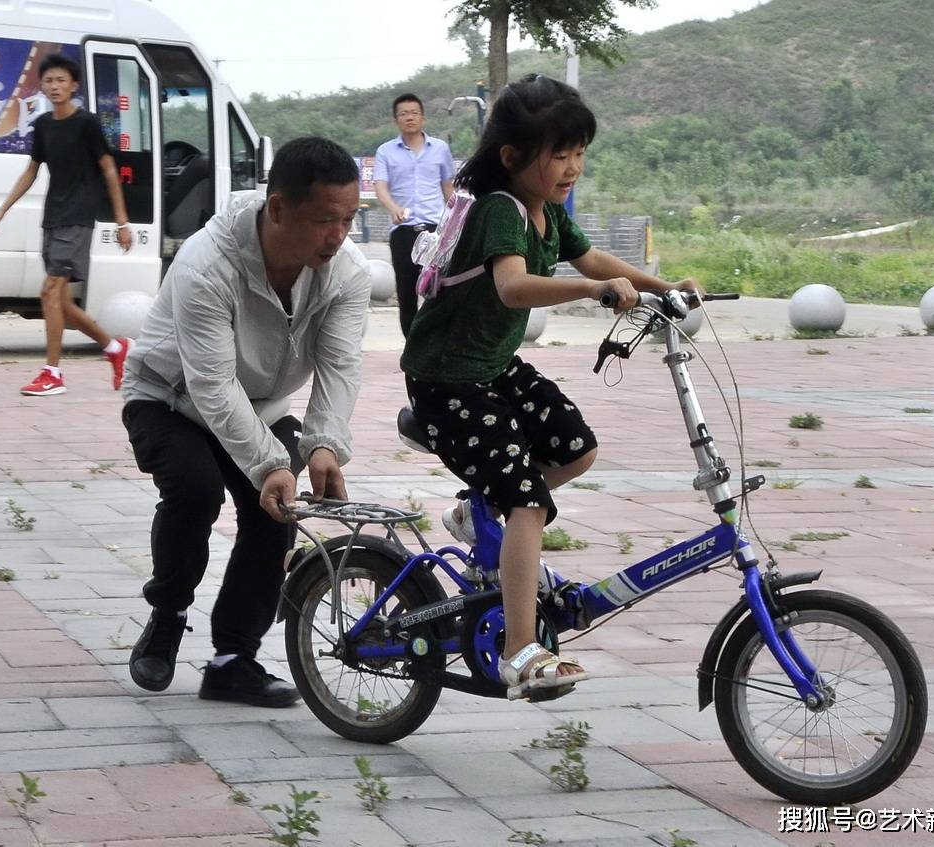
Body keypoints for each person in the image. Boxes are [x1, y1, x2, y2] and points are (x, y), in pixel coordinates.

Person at [400, 75, 702, 702]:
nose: (572, 167)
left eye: (579, 153)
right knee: (528, 500)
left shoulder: (548, 213)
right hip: (446, 379)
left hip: (489, 368)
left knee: (577, 449)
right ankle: (519, 650)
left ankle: (480, 509)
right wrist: (594, 294)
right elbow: (513, 287)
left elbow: (594, 261)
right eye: (559, 155)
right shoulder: (500, 213)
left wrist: (660, 285)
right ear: (513, 157)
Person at [120, 136, 369, 706]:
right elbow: (209, 383)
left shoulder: (346, 272)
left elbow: (339, 363)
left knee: (274, 514)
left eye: (350, 219)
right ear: (277, 209)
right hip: (168, 396)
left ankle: (233, 660)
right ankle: (168, 612)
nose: (339, 235)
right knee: (196, 489)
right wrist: (269, 462)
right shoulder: (206, 263)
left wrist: (325, 443)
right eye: (325, 220)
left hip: (262, 406)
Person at [0, 52, 133, 397]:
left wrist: (122, 221)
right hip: (53, 218)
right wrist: (2, 210)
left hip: (78, 218)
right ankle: (115, 349)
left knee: (50, 291)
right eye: (48, 81)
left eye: (61, 80)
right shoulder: (44, 125)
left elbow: (109, 169)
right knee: (59, 301)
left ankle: (53, 373)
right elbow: (31, 170)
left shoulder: (88, 124)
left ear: (74, 85)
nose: (54, 86)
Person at [374, 93, 456, 337]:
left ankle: (437, 342)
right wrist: (393, 209)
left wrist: (454, 222)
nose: (409, 117)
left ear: (423, 118)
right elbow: (380, 186)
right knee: (406, 292)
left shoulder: (440, 149)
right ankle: (412, 347)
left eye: (414, 113)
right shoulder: (385, 151)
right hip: (403, 230)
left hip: (436, 230)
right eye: (403, 114)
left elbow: (448, 187)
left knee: (440, 288)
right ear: (396, 120)